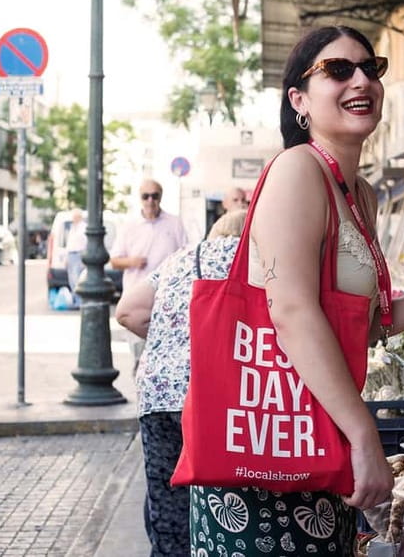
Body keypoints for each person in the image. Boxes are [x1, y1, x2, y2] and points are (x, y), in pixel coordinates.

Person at [188, 25, 404, 555]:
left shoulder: (359, 192)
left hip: (317, 436)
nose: (361, 78)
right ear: (299, 100)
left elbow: (361, 325)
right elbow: (289, 310)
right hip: (270, 446)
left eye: (371, 67)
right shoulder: (298, 171)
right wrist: (364, 436)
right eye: (338, 70)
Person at [115, 209, 248, 557]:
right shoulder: (257, 258)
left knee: (168, 507)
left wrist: (174, 340)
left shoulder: (181, 258)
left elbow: (128, 311)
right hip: (218, 396)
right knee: (229, 503)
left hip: (158, 395)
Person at [110, 179, 187, 370]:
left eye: (155, 196)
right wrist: (132, 261)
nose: (151, 200)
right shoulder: (129, 226)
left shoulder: (174, 223)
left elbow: (186, 254)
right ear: (140, 198)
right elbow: (114, 260)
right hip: (137, 297)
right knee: (140, 356)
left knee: (166, 353)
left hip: (167, 297)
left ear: (161, 197)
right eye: (146, 196)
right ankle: (141, 393)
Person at [65, 209, 87, 307]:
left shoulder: (83, 227)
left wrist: (83, 258)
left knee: (77, 279)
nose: (73, 219)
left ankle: (79, 302)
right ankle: (75, 301)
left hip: (79, 255)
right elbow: (69, 243)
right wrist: (66, 258)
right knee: (71, 280)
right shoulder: (73, 228)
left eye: (75, 217)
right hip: (71, 255)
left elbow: (86, 244)